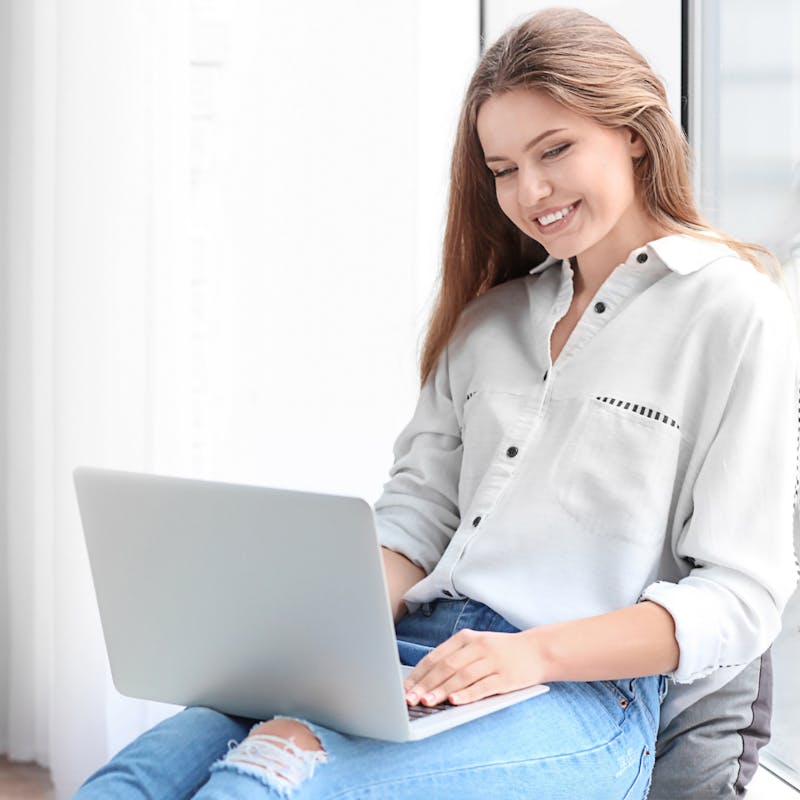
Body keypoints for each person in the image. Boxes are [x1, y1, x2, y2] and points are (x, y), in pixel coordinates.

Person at [75, 7, 798, 799]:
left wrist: (535, 653)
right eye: (503, 168)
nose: (531, 192)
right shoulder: (489, 322)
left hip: (579, 699)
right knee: (137, 779)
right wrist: (313, 638)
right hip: (407, 649)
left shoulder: (734, 313)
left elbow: (740, 596)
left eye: (554, 150)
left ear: (633, 129)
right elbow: (417, 513)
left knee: (262, 782)